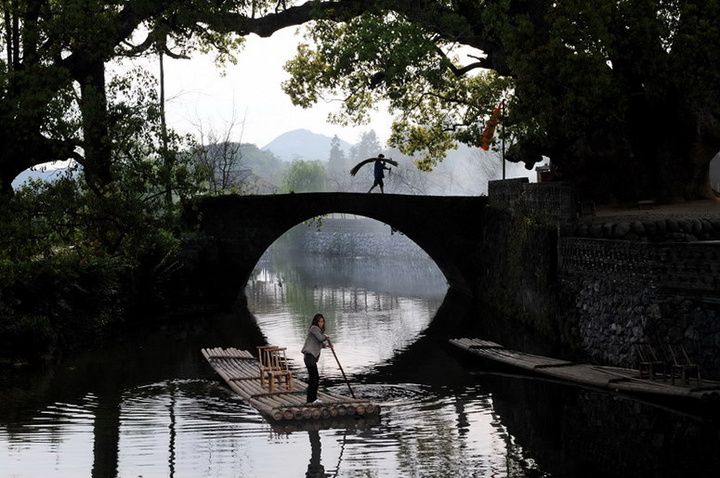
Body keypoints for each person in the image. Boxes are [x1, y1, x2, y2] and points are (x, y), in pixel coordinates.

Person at [301, 313, 332, 404]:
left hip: (311, 358)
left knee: (315, 378)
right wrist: (326, 336)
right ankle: (311, 399)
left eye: (323, 321)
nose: (322, 323)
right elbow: (321, 338)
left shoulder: (317, 331)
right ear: (316, 322)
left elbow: (320, 343)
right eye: (320, 321)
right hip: (309, 357)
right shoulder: (314, 328)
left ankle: (312, 399)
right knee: (314, 378)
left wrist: (327, 346)